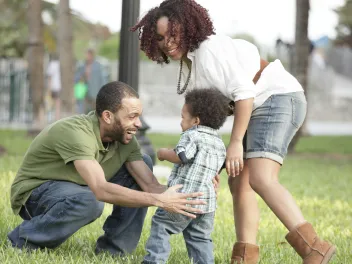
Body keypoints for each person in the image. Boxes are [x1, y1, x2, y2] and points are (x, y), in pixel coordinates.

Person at [132, 1, 336, 263]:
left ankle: (315, 249)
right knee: (239, 181)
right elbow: (206, 122)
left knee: (261, 178)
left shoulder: (208, 50)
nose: (167, 42)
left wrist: (236, 142)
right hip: (260, 104)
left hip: (277, 98)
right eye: (161, 37)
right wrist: (209, 168)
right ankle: (244, 257)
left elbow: (245, 93)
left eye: (173, 34)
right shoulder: (191, 61)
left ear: (187, 27)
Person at [8, 81, 206, 256]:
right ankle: (22, 240)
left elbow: (151, 186)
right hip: (35, 194)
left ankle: (114, 251)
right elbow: (101, 190)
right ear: (108, 116)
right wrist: (159, 201)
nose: (138, 124)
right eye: (132, 116)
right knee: (90, 201)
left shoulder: (126, 140)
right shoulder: (76, 132)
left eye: (139, 116)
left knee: (143, 163)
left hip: (79, 187)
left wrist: (196, 190)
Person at [143, 89, 228, 264]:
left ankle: (154, 261)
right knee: (200, 238)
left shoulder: (192, 135)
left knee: (161, 226)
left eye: (183, 117)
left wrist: (164, 153)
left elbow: (182, 156)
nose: (180, 121)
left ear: (196, 121)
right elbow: (218, 168)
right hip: (206, 204)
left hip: (183, 198)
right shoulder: (219, 142)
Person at [75, 48, 107, 113]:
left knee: (95, 109)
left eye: (88, 55)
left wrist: (103, 90)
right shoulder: (82, 65)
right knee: (83, 110)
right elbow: (77, 77)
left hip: (95, 91)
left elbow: (102, 79)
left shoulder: (98, 66)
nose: (86, 56)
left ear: (92, 55)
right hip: (84, 91)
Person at [46, 53, 61, 121]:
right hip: (59, 87)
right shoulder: (60, 64)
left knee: (51, 104)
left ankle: (51, 118)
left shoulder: (52, 64)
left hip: (53, 87)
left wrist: (49, 88)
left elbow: (50, 77)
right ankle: (56, 118)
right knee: (57, 104)